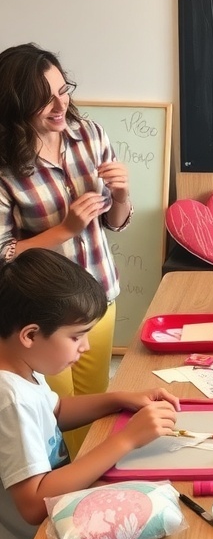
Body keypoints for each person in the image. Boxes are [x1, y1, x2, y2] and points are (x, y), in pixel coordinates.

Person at [0, 248, 180, 539]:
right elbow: (34, 505)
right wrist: (124, 441)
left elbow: (55, 411)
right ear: (31, 335)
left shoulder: (18, 367)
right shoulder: (8, 400)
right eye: (77, 336)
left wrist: (117, 398)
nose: (85, 347)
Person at [0, 42, 133, 453]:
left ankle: (88, 492)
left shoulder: (89, 135)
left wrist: (123, 194)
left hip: (99, 296)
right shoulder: (6, 165)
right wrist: (65, 229)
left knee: (93, 409)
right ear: (15, 106)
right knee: (52, 423)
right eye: (44, 100)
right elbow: (3, 253)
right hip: (46, 317)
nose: (61, 105)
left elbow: (115, 220)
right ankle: (62, 496)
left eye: (63, 89)